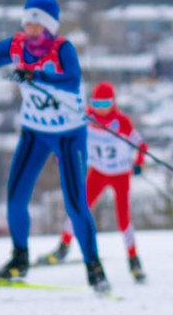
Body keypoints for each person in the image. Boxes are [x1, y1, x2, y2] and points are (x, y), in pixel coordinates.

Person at [0, 0, 110, 292]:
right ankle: (19, 259)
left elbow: (71, 80)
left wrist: (34, 74)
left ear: (49, 27)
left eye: (37, 23)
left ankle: (94, 268)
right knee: (15, 198)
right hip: (34, 132)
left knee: (75, 204)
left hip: (69, 134)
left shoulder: (62, 49)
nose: (30, 27)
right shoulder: (17, 46)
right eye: (28, 21)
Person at [38, 81, 148, 280]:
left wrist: (139, 162)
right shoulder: (87, 118)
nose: (101, 110)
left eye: (105, 106)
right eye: (97, 105)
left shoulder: (121, 122)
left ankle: (133, 260)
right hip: (98, 171)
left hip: (121, 174)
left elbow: (141, 145)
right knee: (79, 207)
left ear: (113, 104)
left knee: (123, 219)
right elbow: (71, 139)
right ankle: (63, 247)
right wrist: (62, 155)